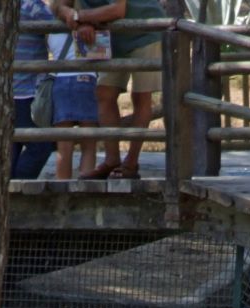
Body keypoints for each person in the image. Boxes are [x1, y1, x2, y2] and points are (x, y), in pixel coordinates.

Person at [50, 0, 165, 180]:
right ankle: (112, 159)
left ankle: (131, 163)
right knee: (103, 93)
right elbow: (56, 5)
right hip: (113, 36)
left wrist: (80, 17)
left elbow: (118, 10)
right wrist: (70, 14)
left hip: (144, 31)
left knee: (141, 96)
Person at [47, 8, 99, 179]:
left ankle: (62, 190)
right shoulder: (90, 22)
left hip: (61, 81)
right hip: (86, 79)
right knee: (89, 144)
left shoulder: (51, 25)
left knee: (64, 147)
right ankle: (87, 188)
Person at [12, 0, 56, 179]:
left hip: (11, 89)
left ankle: (7, 189)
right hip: (26, 90)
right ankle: (17, 187)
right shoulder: (31, 5)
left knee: (12, 145)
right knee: (41, 146)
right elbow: (57, 23)